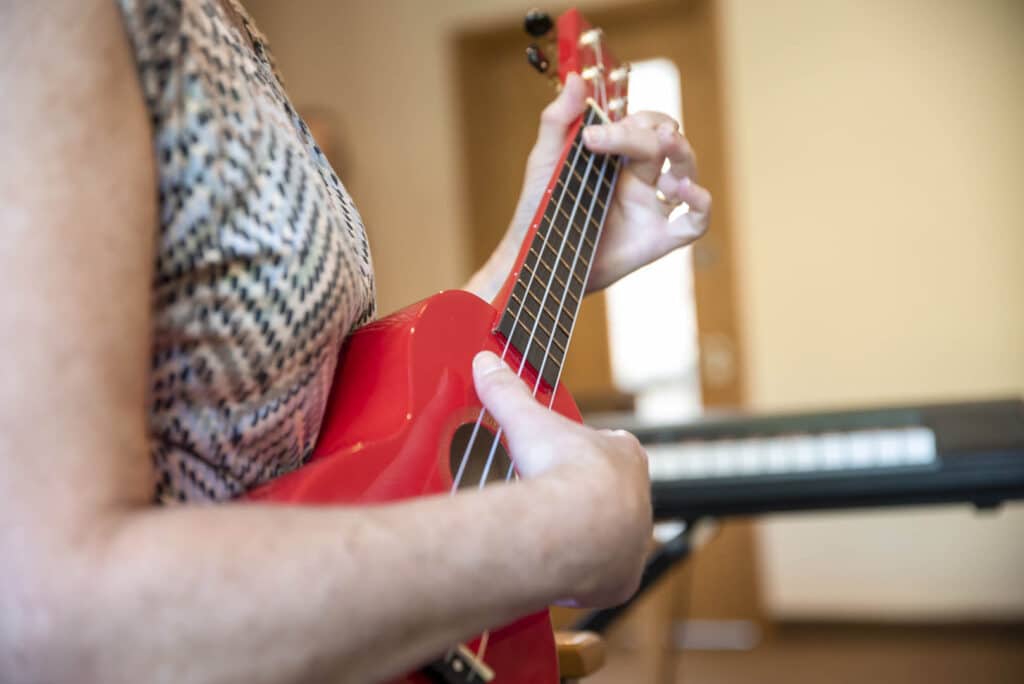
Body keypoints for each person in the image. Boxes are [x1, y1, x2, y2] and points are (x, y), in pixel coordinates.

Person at [0, 1, 711, 682]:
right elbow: (43, 612)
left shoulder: (231, 22)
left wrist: (548, 243)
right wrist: (561, 530)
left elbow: (321, 425)